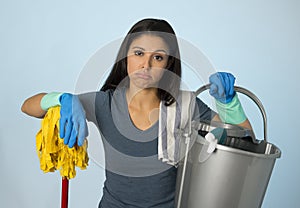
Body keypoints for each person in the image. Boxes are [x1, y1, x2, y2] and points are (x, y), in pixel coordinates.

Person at [21, 18, 252, 208]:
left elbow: (244, 138)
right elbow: (28, 106)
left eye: (158, 57)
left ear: (169, 64)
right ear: (125, 57)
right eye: (139, 53)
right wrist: (62, 99)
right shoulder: (104, 103)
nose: (146, 64)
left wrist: (228, 103)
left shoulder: (185, 105)